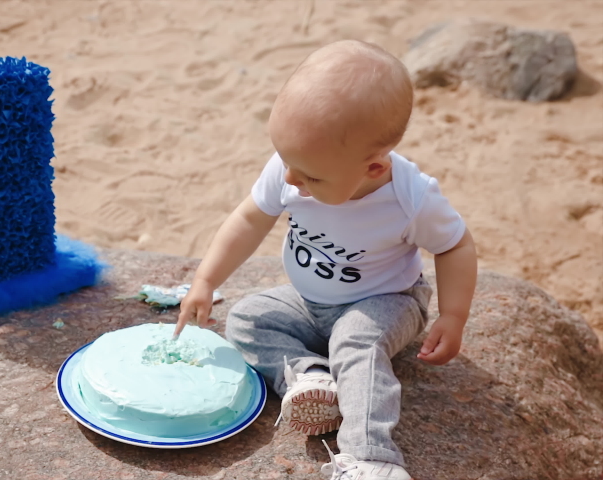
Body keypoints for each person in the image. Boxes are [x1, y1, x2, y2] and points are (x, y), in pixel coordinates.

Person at [173, 40, 477, 480]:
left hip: (385, 302)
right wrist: (206, 278)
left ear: (373, 168)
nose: (291, 180)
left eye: (311, 176)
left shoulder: (410, 197)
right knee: (247, 318)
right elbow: (249, 219)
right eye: (287, 161)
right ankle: (313, 377)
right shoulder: (294, 166)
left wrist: (454, 314)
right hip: (309, 304)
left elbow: (454, 244)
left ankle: (372, 457)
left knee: (356, 343)